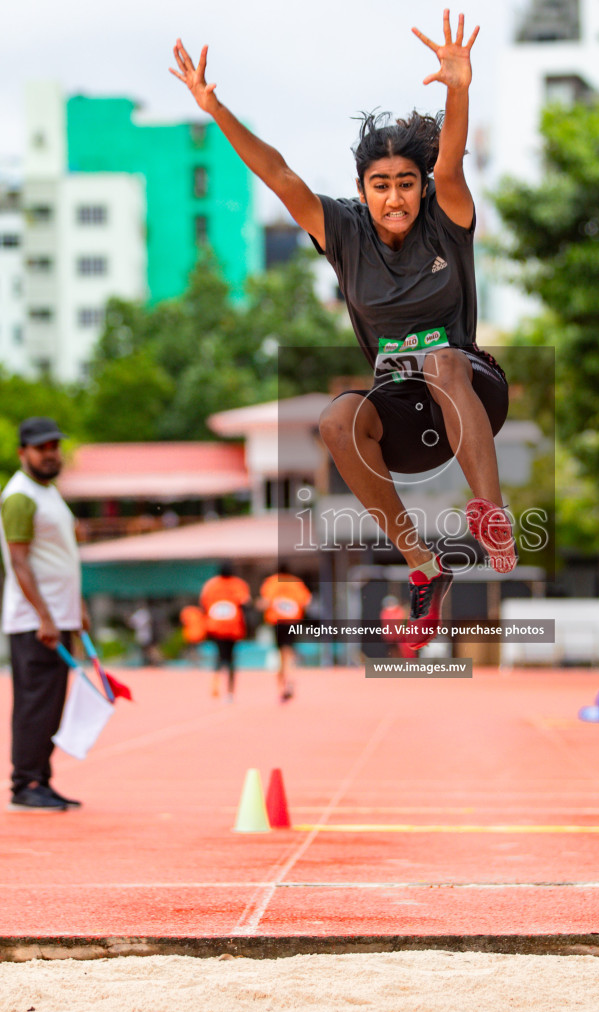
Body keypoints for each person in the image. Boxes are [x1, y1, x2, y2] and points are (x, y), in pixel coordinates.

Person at [170, 13, 515, 653]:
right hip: (403, 415)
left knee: (440, 363)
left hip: (470, 389)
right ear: (362, 189)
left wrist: (458, 90)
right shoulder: (344, 233)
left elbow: (449, 170)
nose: (395, 198)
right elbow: (279, 176)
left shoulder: (447, 218)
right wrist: (215, 109)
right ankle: (421, 565)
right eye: (381, 186)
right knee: (336, 420)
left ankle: (491, 515)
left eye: (405, 185)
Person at [0, 417, 90, 813]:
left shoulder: (49, 493)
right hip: (36, 622)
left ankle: (42, 779)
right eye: (42, 447)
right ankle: (25, 783)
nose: (51, 453)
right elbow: (19, 561)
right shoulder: (20, 496)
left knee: (51, 704)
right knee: (35, 704)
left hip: (58, 617)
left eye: (55, 446)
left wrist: (76, 607)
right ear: (23, 453)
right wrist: (45, 617)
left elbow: (60, 558)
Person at [259, 564, 312, 702]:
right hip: (292, 620)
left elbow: (265, 601)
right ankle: (288, 678)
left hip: (276, 621)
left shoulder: (272, 582)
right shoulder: (296, 583)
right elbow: (306, 601)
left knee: (281, 652)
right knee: (288, 650)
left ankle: (282, 682)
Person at [200, 562, 251, 702]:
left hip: (216, 626)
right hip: (233, 627)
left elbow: (204, 604)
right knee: (231, 659)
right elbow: (245, 603)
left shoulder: (211, 585)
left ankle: (215, 683)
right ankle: (230, 691)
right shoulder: (238, 584)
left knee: (219, 656)